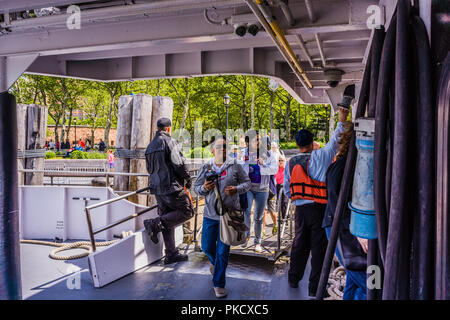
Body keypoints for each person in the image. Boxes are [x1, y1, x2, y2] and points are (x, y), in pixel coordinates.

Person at [284, 107, 349, 297]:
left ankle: (293, 279)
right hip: (320, 209)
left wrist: (299, 200)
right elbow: (337, 138)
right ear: (313, 143)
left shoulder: (290, 162)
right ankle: (314, 288)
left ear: (297, 145)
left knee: (299, 245)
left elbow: (288, 189)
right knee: (319, 248)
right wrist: (342, 115)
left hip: (300, 211)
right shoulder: (320, 156)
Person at [194, 135, 250, 298]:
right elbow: (196, 188)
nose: (222, 149)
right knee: (206, 246)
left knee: (223, 250)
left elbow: (247, 184)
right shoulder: (206, 166)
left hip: (229, 215)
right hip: (210, 215)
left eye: (225, 146)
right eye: (219, 146)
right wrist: (204, 187)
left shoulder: (235, 166)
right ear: (212, 150)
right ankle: (214, 263)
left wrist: (236, 189)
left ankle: (219, 283)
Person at [323, 121, 368, 300]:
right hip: (342, 229)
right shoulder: (346, 167)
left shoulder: (342, 164)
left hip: (340, 227)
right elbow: (337, 201)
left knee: (353, 279)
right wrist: (356, 231)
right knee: (368, 283)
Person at [143, 117, 194, 264]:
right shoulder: (170, 141)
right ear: (169, 128)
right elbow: (179, 164)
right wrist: (187, 178)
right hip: (172, 187)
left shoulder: (150, 146)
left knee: (167, 218)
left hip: (157, 188)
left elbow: (149, 169)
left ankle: (171, 253)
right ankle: (154, 223)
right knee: (187, 211)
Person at [241, 132, 278, 253]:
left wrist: (263, 164)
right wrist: (246, 166)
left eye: (259, 139)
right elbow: (239, 168)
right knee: (246, 212)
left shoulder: (268, 153)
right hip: (248, 187)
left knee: (258, 217)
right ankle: (246, 236)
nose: (258, 142)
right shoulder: (244, 153)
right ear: (249, 142)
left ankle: (257, 242)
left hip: (262, 188)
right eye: (255, 140)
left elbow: (274, 169)